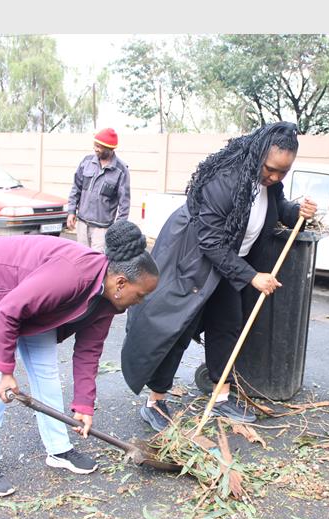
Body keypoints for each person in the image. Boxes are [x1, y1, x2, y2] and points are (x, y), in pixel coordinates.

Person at [121, 122, 317, 432]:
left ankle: (221, 397)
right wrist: (252, 277)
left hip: (227, 265)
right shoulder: (225, 181)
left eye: (283, 172)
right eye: (271, 169)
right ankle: (155, 401)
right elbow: (209, 241)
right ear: (257, 154)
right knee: (177, 330)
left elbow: (277, 208)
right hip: (192, 263)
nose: (275, 177)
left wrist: (298, 213)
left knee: (227, 326)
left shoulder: (269, 184)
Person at [0, 220, 158, 496]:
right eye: (141, 294)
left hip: (29, 301)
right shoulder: (73, 276)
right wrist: (6, 371)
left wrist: (84, 405)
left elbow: (89, 352)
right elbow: (9, 311)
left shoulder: (108, 300)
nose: (141, 301)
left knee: (46, 372)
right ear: (121, 283)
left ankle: (58, 449)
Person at [66, 127, 131, 252]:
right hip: (82, 224)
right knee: (81, 259)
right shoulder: (87, 162)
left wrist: (118, 229)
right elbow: (76, 188)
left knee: (98, 262)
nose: (95, 149)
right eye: (95, 145)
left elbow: (124, 204)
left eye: (99, 147)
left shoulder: (121, 170)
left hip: (102, 230)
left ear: (110, 149)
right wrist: (71, 211)